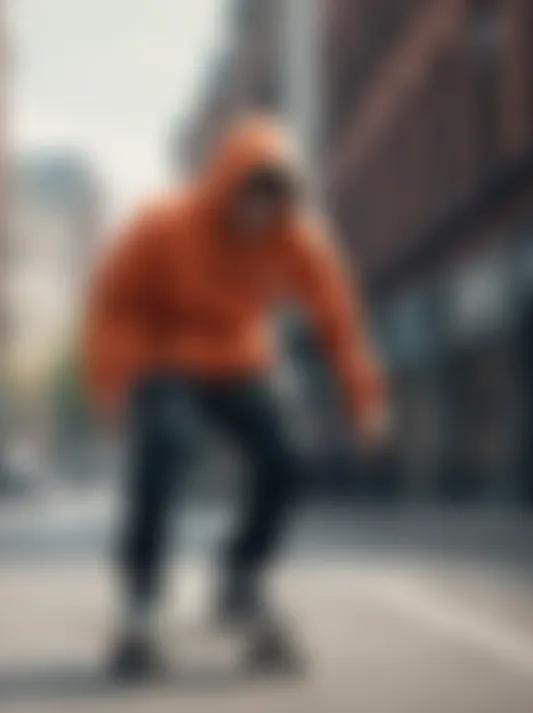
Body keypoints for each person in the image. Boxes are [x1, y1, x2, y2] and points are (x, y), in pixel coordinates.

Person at [81, 116, 389, 676]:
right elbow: (114, 305)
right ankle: (140, 600)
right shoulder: (163, 224)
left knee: (287, 455)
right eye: (251, 197)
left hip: (243, 358)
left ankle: (241, 578)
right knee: (166, 448)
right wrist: (111, 387)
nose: (259, 215)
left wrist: (364, 399)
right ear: (227, 186)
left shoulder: (295, 236)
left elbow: (338, 316)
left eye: (273, 202)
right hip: (164, 356)